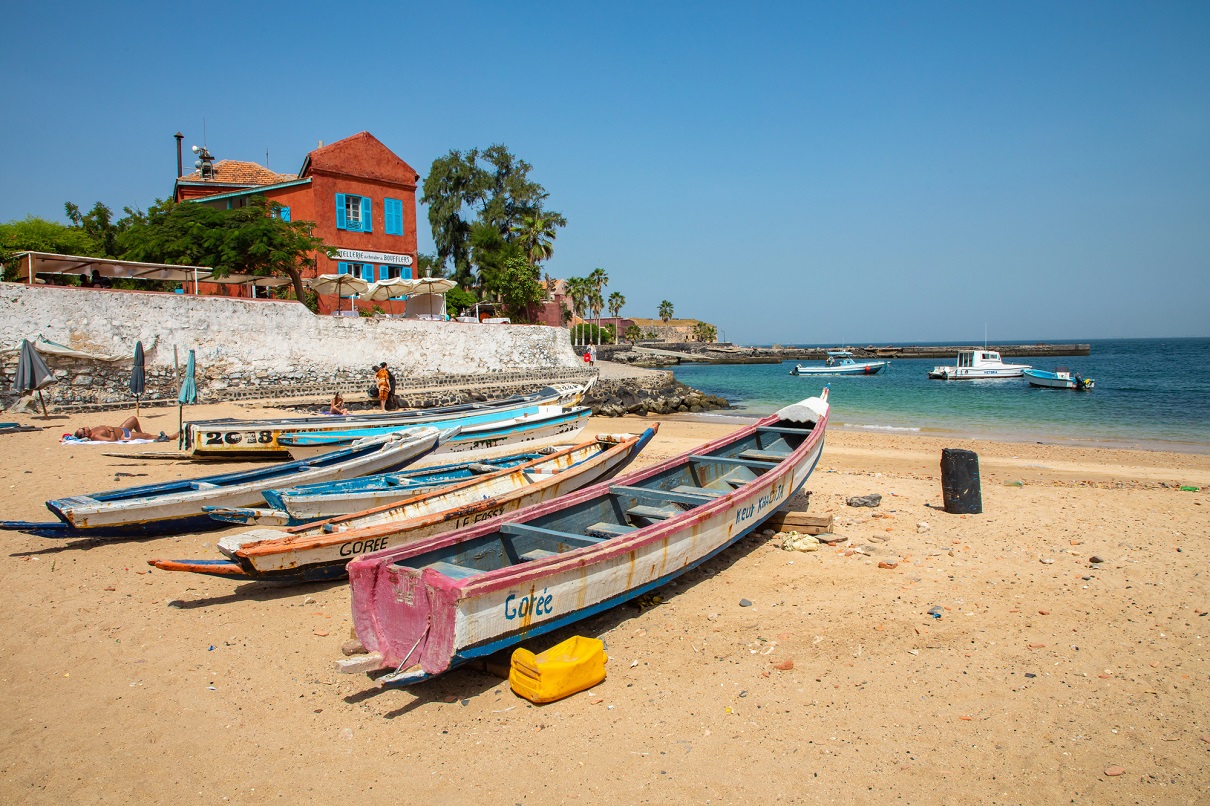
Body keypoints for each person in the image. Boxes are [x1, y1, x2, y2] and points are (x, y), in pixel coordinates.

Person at [73, 416, 176, 442]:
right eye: (83, 429)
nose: (84, 427)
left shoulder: (93, 429)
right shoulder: (95, 436)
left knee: (133, 419)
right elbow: (112, 440)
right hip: (123, 436)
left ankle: (142, 435)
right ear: (85, 435)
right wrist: (112, 430)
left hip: (121, 429)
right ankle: (168, 437)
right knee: (146, 436)